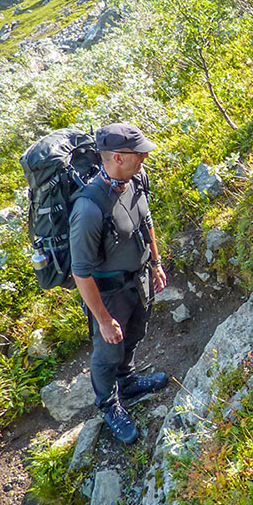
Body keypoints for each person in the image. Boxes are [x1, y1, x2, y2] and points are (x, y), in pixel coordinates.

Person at [70, 123, 169, 444]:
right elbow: (81, 272)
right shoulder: (88, 208)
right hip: (109, 293)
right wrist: (103, 319)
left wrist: (155, 263)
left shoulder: (135, 179)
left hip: (139, 280)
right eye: (138, 153)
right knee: (107, 351)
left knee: (136, 333)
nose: (144, 157)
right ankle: (109, 405)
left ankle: (127, 382)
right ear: (117, 157)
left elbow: (147, 220)